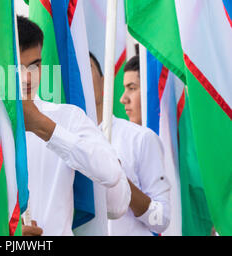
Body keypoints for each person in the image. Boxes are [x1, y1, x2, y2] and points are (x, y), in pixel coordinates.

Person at [17, 16, 130, 236]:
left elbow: (111, 173)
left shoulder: (67, 117)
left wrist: (45, 128)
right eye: (17, 67)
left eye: (34, 66)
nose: (26, 78)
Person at [89, 52, 171, 235]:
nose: (81, 78)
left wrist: (119, 181)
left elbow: (161, 219)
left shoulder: (140, 138)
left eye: (87, 69)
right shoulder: (59, 143)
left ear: (104, 82)